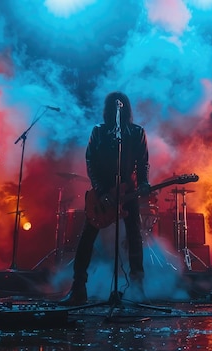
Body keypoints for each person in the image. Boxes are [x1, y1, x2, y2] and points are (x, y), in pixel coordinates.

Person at [60, 91, 150, 306]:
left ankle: (137, 288)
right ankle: (78, 287)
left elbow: (142, 162)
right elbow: (90, 161)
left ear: (125, 109)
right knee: (87, 238)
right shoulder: (98, 132)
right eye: (111, 107)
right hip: (101, 193)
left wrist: (144, 182)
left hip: (128, 190)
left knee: (134, 237)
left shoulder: (137, 132)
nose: (114, 111)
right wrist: (101, 191)